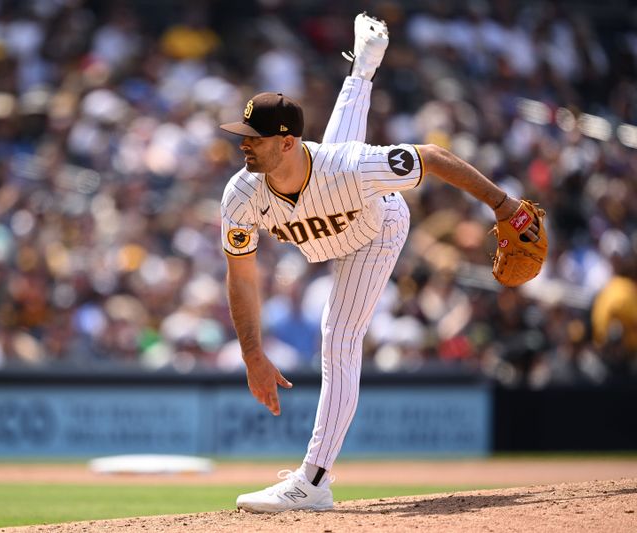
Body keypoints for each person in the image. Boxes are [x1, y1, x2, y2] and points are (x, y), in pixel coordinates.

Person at [218, 13, 540, 513]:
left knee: (338, 335)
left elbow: (431, 156)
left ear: (285, 141)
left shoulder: (349, 167)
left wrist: (503, 206)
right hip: (333, 205)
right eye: (242, 134)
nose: (242, 144)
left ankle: (314, 480)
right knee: (340, 154)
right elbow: (240, 276)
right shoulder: (240, 195)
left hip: (374, 230)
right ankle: (362, 70)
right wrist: (252, 354)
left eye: (252, 137)